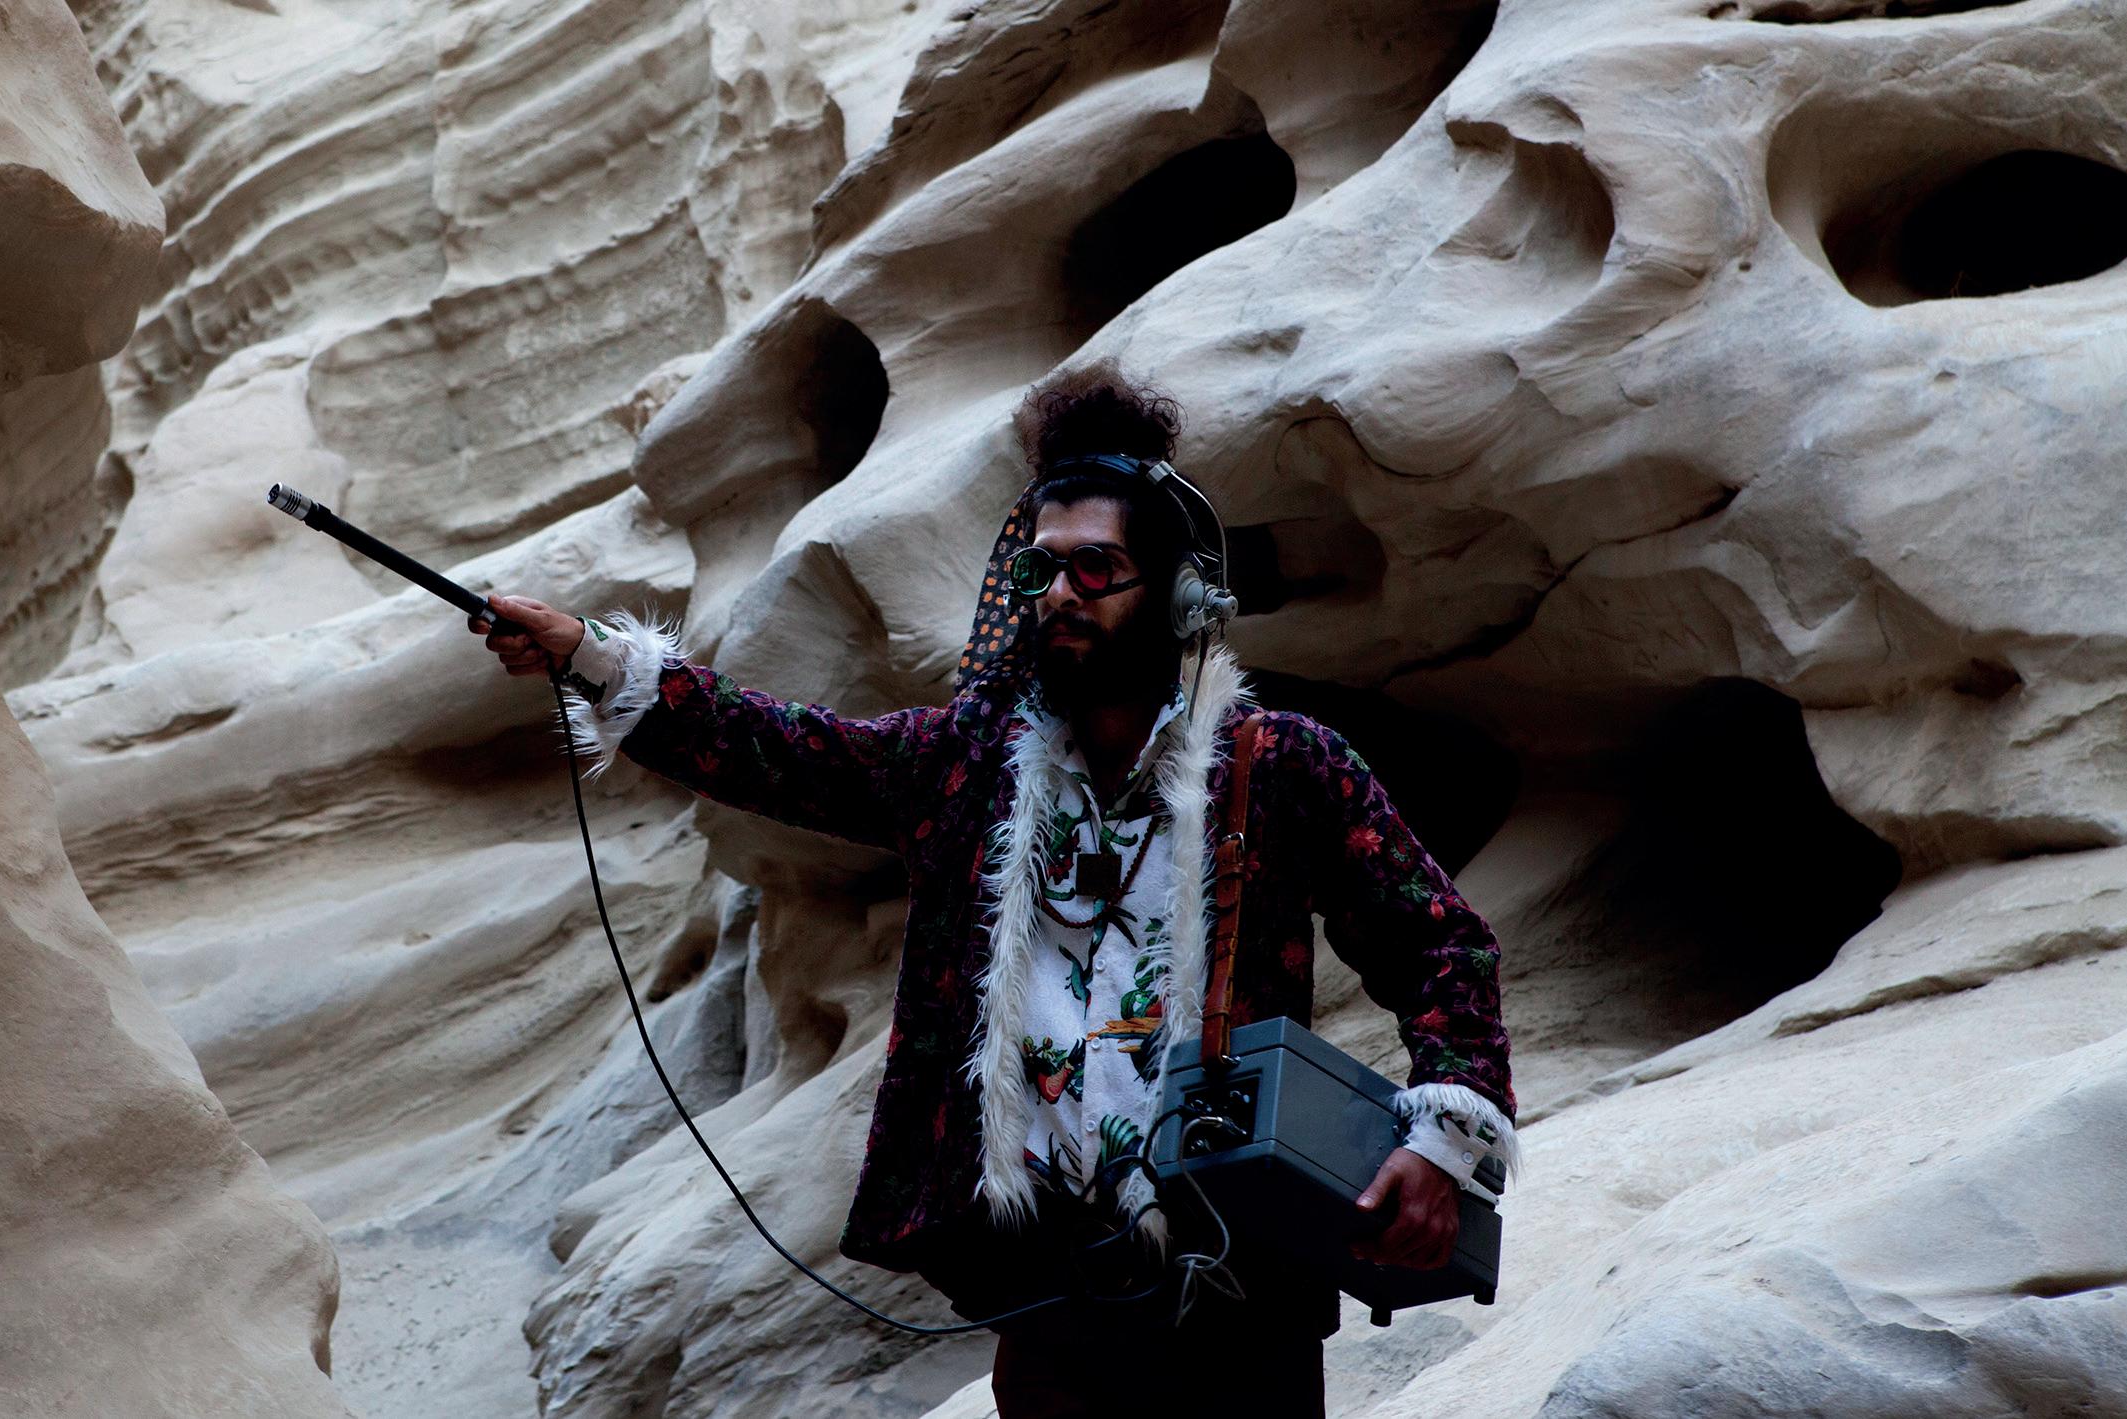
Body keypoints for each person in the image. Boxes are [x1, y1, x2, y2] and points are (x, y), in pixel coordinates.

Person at [468, 372, 1515, 1417]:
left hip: (1238, 1293)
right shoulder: (966, 768)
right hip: (1050, 1298)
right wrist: (590, 657)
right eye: (1039, 569)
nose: (1058, 593)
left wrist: (1440, 1146)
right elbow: (779, 750)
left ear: (1176, 593)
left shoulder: (1279, 764)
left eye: (1094, 568)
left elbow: (1443, 949)